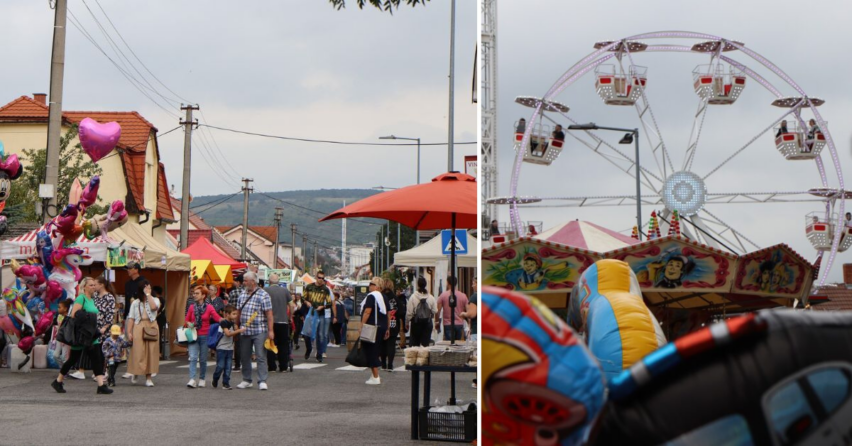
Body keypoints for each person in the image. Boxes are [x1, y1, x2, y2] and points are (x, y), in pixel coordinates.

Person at [51, 277, 112, 394]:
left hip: (91, 334)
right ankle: (58, 381)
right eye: (91, 285)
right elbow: (74, 315)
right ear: (84, 287)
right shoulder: (81, 298)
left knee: (96, 359)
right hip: (81, 335)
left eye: (94, 285)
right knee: (72, 360)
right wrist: (88, 317)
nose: (94, 287)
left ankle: (101, 386)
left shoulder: (92, 299)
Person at [235, 271, 274, 390]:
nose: (244, 283)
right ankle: (247, 379)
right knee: (244, 356)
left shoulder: (263, 295)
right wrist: (236, 326)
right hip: (244, 330)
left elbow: (269, 314)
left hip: (259, 329)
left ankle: (262, 380)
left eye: (246, 280)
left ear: (253, 281)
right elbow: (238, 312)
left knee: (260, 356)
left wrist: (271, 330)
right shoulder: (242, 294)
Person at [185, 286, 222, 388]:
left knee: (202, 359)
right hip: (193, 334)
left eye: (197, 293)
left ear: (203, 295)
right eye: (194, 293)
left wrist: (224, 321)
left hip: (205, 335)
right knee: (192, 357)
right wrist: (188, 323)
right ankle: (192, 379)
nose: (194, 295)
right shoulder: (192, 306)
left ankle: (202, 378)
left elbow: (216, 317)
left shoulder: (209, 307)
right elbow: (186, 319)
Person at [125, 281, 159, 387]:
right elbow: (131, 317)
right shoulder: (135, 302)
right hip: (139, 325)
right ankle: (136, 371)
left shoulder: (155, 300)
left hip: (151, 325)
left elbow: (154, 307)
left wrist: (148, 295)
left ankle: (148, 378)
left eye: (149, 287)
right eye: (146, 288)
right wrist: (129, 332)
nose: (148, 289)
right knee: (138, 351)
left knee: (151, 351)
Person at [361, 277, 389, 385]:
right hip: (382, 327)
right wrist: (387, 328)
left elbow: (367, 311)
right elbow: (388, 314)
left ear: (377, 286)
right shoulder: (384, 297)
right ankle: (374, 375)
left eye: (371, 283)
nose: (369, 285)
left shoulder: (372, 296)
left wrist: (361, 325)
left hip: (372, 326)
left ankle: (376, 376)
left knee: (370, 350)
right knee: (376, 350)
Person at [303, 271, 334, 363]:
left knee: (320, 335)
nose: (321, 280)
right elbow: (303, 297)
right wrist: (307, 302)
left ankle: (319, 354)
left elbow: (329, 303)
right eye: (319, 278)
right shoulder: (309, 287)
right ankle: (309, 349)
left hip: (321, 314)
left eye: (322, 278)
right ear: (316, 277)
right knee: (306, 334)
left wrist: (323, 306)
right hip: (310, 313)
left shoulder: (325, 289)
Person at [265, 274, 293, 373]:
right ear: (278, 281)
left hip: (270, 321)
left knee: (271, 343)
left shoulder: (265, 290)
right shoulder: (285, 291)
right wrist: (290, 317)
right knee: (283, 345)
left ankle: (272, 367)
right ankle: (283, 367)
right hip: (283, 321)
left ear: (269, 282)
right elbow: (291, 304)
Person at [213, 305, 245, 390]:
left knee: (228, 367)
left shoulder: (233, 323)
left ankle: (226, 383)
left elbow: (234, 335)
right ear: (227, 314)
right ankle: (215, 378)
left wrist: (236, 329)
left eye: (236, 314)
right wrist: (238, 331)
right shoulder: (224, 322)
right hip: (221, 348)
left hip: (230, 348)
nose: (235, 316)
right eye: (233, 314)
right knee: (220, 366)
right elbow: (228, 334)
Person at [380, 278, 406, 372]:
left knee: (382, 344)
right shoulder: (395, 298)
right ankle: (390, 364)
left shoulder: (381, 297)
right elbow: (402, 312)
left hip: (382, 322)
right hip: (394, 322)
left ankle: (383, 363)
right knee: (391, 344)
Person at [435, 276, 469, 342]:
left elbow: (437, 310)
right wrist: (469, 323)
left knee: (449, 344)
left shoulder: (443, 295)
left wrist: (437, 322)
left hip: (448, 324)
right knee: (458, 344)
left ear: (448, 283)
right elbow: (468, 310)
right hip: (459, 323)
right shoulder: (463, 295)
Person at [406, 277, 437, 347]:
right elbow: (435, 310)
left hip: (416, 323)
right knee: (425, 345)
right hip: (427, 323)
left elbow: (409, 312)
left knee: (415, 345)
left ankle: (415, 357)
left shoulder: (413, 297)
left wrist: (409, 321)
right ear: (425, 284)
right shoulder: (431, 297)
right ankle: (424, 357)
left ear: (418, 285)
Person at [461, 276, 478, 389]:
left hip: (477, 331)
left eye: (474, 283)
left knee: (477, 358)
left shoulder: (475, 296)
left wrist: (464, 314)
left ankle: (478, 381)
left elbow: (472, 314)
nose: (472, 285)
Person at [229, 275, 245, 371]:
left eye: (235, 281)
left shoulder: (233, 292)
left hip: (235, 319)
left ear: (239, 282)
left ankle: (237, 364)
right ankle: (246, 362)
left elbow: (229, 306)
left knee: (237, 343)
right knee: (247, 342)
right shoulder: (248, 293)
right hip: (247, 319)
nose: (234, 283)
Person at [152, 285, 167, 359]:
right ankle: (158, 352)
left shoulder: (159, 300)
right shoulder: (162, 299)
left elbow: (157, 310)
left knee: (158, 335)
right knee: (159, 335)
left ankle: (159, 352)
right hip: (161, 319)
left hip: (159, 319)